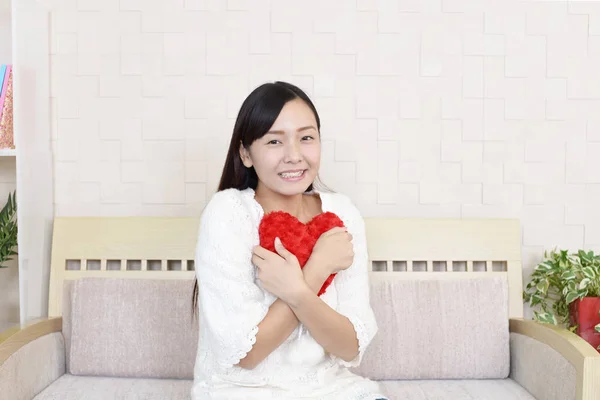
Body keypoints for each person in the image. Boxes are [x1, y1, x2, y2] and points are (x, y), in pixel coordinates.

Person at [191, 81, 388, 400]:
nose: (294, 156)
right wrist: (317, 269)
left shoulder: (342, 214)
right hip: (243, 391)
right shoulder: (228, 213)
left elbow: (349, 346)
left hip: (333, 391)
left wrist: (295, 288)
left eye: (306, 138)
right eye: (274, 142)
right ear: (245, 153)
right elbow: (248, 354)